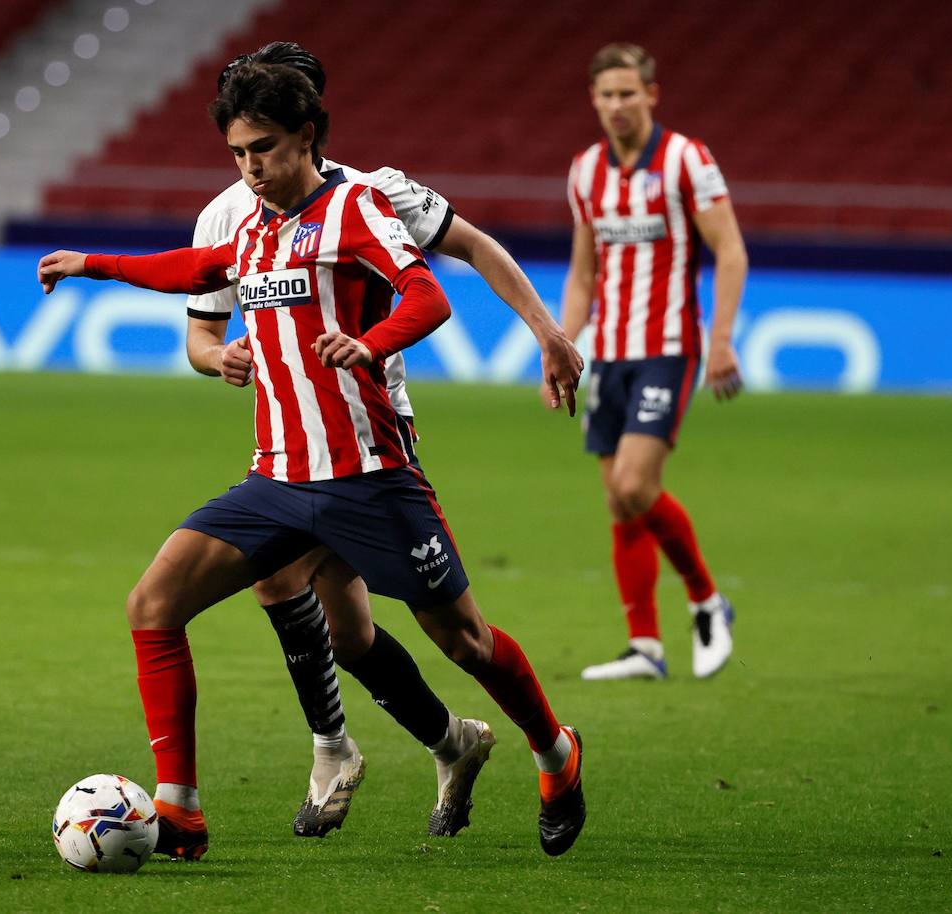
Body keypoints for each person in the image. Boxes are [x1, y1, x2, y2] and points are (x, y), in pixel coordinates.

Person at [38, 62, 586, 859]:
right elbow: (193, 271)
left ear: (307, 135)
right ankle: (181, 812)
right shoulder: (252, 226)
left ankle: (555, 753)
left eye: (263, 148)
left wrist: (370, 343)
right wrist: (90, 263)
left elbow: (428, 295)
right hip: (277, 482)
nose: (250, 167)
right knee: (153, 605)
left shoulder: (358, 205)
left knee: (465, 642)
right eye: (236, 153)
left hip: (368, 476)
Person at [560, 43, 748, 682]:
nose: (616, 105)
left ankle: (707, 599)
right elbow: (584, 271)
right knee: (619, 503)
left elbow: (730, 251)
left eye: (627, 94)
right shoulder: (585, 170)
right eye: (606, 95)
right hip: (609, 352)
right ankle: (645, 646)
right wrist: (562, 344)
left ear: (651, 94)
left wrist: (721, 337)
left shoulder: (685, 160)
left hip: (668, 346)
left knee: (635, 486)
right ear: (594, 100)